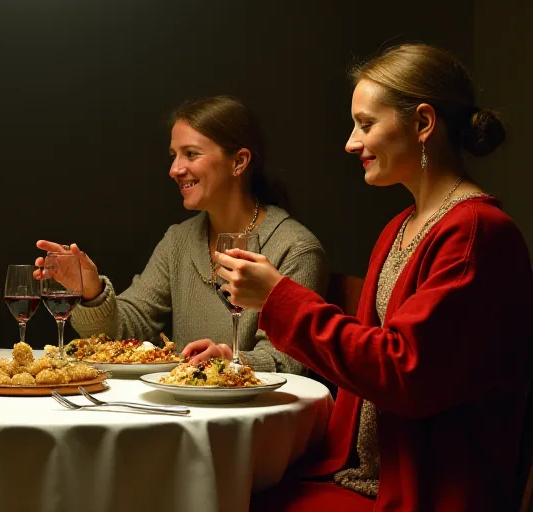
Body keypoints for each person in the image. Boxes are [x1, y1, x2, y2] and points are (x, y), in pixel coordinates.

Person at [218, 44, 532, 512]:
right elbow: (363, 364)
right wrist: (239, 362)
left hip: (427, 487)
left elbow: (402, 373)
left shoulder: (476, 233)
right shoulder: (400, 228)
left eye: (366, 124)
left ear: (423, 123)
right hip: (361, 474)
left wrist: (280, 298)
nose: (350, 142)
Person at [35, 96, 327, 374]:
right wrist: (92, 291)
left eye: (191, 154)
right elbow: (125, 329)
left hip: (255, 419)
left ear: (239, 162)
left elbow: (288, 361)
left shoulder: (295, 248)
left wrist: (230, 361)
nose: (175, 169)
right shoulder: (180, 240)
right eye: (174, 155)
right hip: (180, 411)